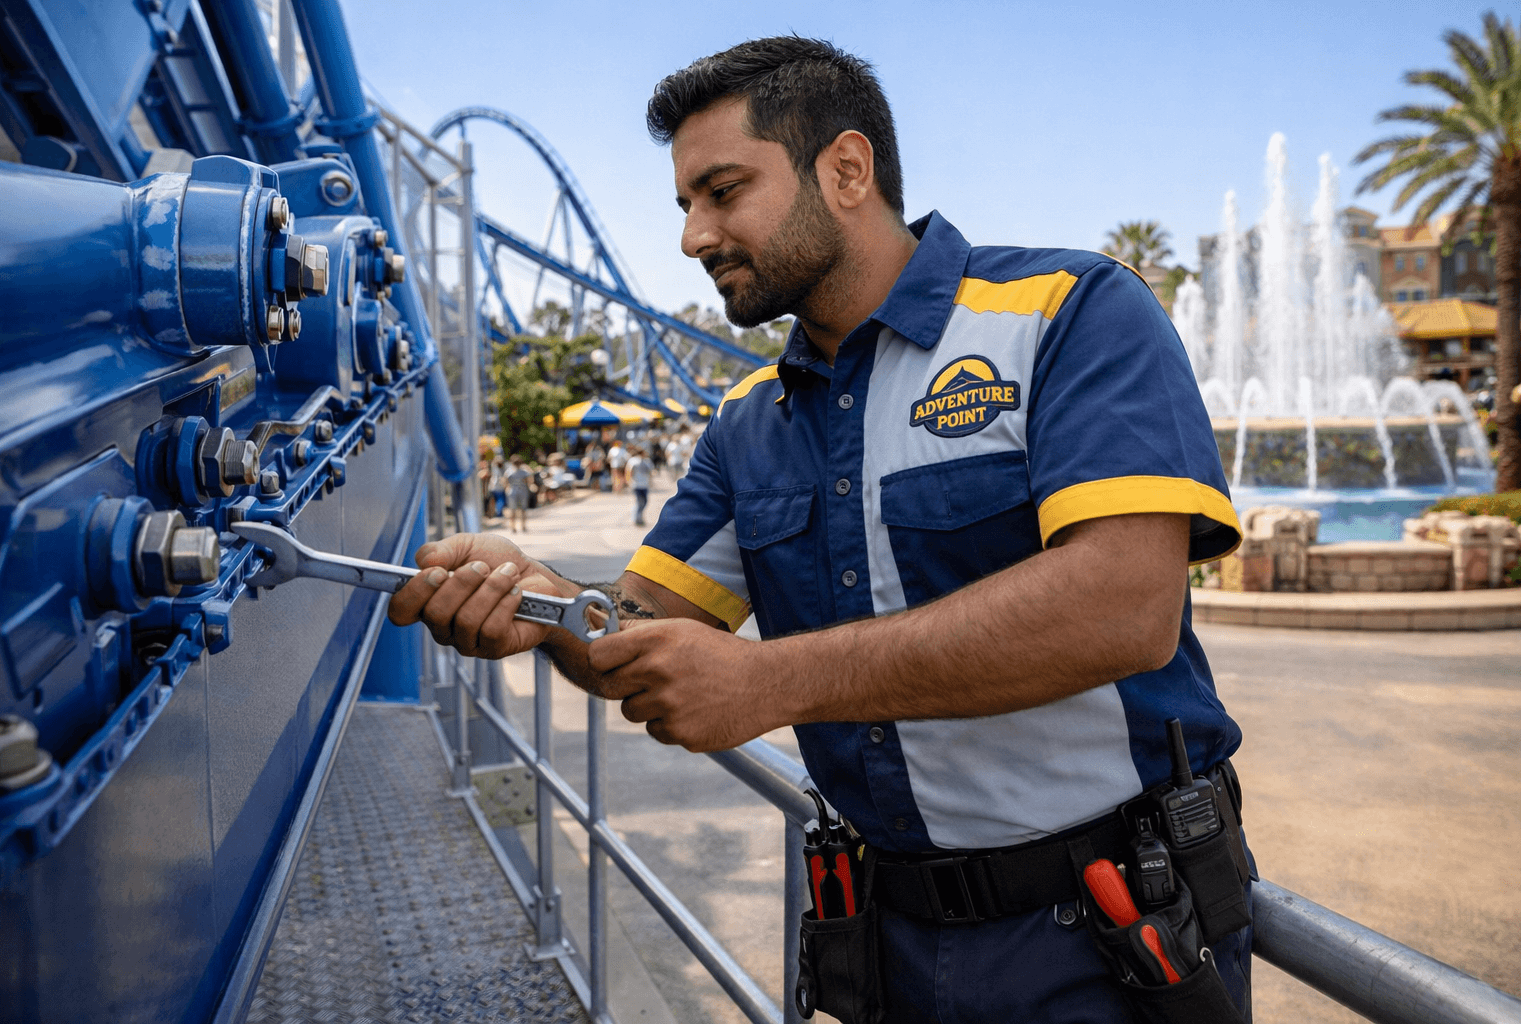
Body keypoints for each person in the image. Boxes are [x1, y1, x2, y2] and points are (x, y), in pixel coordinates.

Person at [390, 37, 1251, 1024]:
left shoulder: (1066, 314)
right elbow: (634, 622)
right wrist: (537, 600)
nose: (693, 236)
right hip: (878, 942)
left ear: (847, 170)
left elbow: (1123, 608)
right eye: (685, 204)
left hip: (1115, 936)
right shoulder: (749, 419)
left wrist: (769, 680)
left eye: (722, 191)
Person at [502, 456, 531, 533]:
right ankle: (520, 526)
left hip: (513, 491)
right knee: (520, 510)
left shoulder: (510, 471)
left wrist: (507, 488)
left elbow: (504, 481)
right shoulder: (522, 471)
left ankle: (515, 526)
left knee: (514, 510)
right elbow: (529, 481)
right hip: (520, 491)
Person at [625, 444, 653, 525]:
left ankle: (639, 516)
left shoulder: (647, 461)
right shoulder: (633, 461)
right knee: (639, 502)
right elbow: (628, 472)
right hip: (636, 484)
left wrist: (650, 481)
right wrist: (629, 481)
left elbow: (650, 472)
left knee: (645, 502)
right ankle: (637, 518)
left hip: (644, 484)